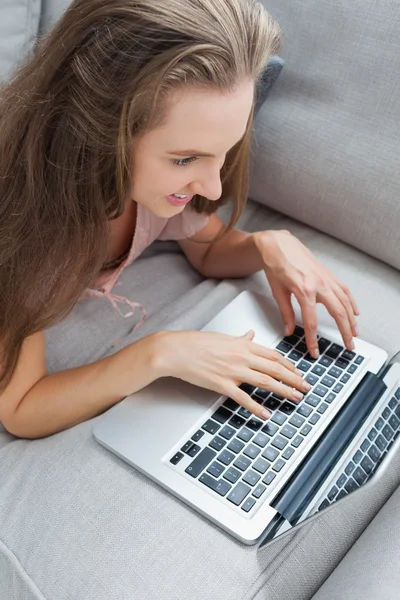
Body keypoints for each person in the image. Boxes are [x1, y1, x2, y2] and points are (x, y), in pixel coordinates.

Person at [0, 0, 359, 439]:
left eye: (225, 150)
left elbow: (206, 249)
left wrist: (266, 245)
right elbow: (21, 408)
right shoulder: (20, 226)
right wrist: (159, 354)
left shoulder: (151, 188)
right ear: (95, 132)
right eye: (186, 158)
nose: (212, 188)